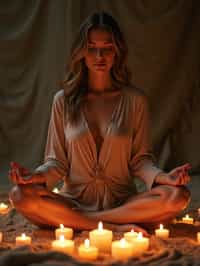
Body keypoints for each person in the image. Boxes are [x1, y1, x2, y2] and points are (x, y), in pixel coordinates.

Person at [9, 11, 191, 234]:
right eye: (91, 48)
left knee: (177, 195)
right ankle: (114, 226)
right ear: (82, 53)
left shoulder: (135, 101)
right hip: (72, 201)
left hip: (123, 204)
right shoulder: (63, 101)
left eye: (107, 48)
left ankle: (86, 220)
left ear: (117, 52)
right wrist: (35, 177)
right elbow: (57, 163)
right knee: (19, 195)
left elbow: (140, 160)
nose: (99, 56)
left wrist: (164, 177)